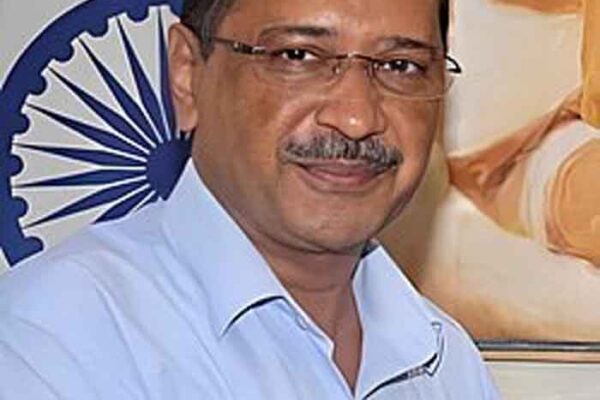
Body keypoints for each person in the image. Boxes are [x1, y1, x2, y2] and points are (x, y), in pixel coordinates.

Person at [0, 0, 499, 398]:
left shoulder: (445, 360)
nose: (356, 118)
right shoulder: (55, 336)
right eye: (298, 56)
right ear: (187, 74)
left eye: (400, 66)